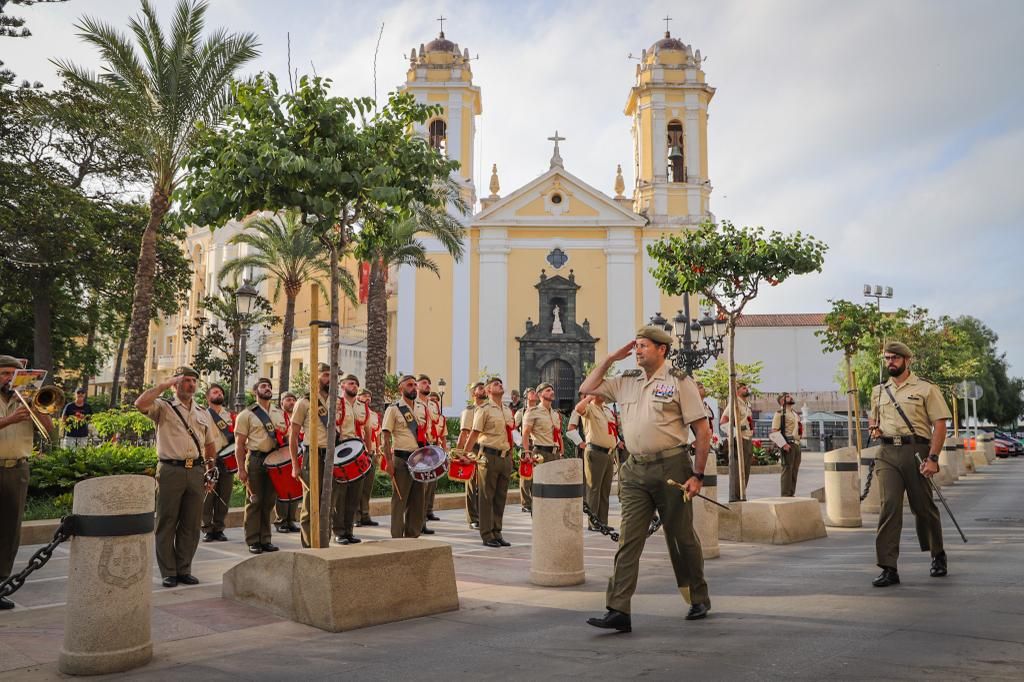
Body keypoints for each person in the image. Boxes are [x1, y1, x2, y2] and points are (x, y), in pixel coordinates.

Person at [581, 327, 712, 632]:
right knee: (629, 539)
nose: (637, 350)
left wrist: (698, 475)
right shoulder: (626, 381)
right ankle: (618, 609)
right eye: (636, 346)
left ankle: (698, 597)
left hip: (672, 468)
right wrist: (611, 358)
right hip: (635, 470)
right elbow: (587, 387)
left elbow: (702, 432)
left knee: (681, 538)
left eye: (643, 346)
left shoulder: (680, 382)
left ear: (661, 349)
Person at [868, 341, 951, 588]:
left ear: (907, 360)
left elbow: (940, 424)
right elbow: (873, 416)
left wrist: (933, 458)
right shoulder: (879, 391)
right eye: (887, 358)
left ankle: (937, 553)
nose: (890, 362)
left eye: (894, 358)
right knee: (889, 507)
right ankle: (888, 567)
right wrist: (874, 426)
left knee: (923, 507)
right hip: (887, 452)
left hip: (917, 450)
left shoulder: (926, 388)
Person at [135, 366, 217, 588]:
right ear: (176, 384)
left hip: (196, 471)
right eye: (185, 380)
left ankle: (184, 569)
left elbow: (210, 444)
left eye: (193, 381)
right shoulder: (163, 407)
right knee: (167, 521)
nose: (191, 384)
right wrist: (163, 385)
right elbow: (140, 404)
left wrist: (210, 471)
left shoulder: (202, 412)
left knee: (191, 523)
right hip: (171, 469)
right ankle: (168, 571)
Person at [1, 355, 52, 610]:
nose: (9, 379)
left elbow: (51, 431)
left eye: (14, 374)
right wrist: (9, 420)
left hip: (18, 469)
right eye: (5, 373)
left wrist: (37, 408)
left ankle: (0, 585)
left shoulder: (27, 399)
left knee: (10, 530)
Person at [463, 377, 516, 548]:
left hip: (505, 456)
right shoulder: (483, 409)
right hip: (488, 456)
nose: (500, 385)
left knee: (500, 498)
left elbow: (510, 435)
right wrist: (464, 454)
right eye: (495, 384)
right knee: (487, 497)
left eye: (501, 383)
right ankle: (487, 534)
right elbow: (474, 434)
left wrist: (511, 456)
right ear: (487, 391)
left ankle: (497, 532)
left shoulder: (507, 410)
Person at [235, 377, 286, 554]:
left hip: (274, 461)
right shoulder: (246, 414)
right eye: (263, 386)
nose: (267, 388)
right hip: (256, 460)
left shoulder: (279, 413)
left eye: (270, 386)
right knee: (254, 500)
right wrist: (241, 469)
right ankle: (253, 540)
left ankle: (265, 538)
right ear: (255, 391)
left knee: (269, 502)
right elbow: (239, 444)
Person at [289, 363, 335, 548]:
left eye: (332, 375)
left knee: (328, 500)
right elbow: (293, 435)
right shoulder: (304, 402)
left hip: (331, 455)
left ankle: (324, 540)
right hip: (313, 455)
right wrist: (295, 464)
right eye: (325, 374)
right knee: (310, 501)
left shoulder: (335, 401)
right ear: (315, 377)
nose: (329, 379)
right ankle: (309, 543)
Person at [381, 374, 428, 539]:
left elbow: (424, 434)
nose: (414, 388)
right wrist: (388, 462)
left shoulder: (422, 408)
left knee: (417, 502)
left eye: (415, 385)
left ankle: (412, 536)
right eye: (409, 385)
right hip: (401, 460)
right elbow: (385, 438)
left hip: (419, 460)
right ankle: (397, 538)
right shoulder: (393, 409)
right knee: (399, 500)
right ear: (401, 388)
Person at [332, 373, 371, 544]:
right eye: (350, 383)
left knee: (354, 496)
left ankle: (349, 530)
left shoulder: (363, 406)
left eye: (356, 384)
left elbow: (368, 431)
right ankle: (339, 531)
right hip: (341, 452)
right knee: (340, 496)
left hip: (359, 453)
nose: (354, 386)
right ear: (342, 386)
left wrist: (368, 452)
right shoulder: (336, 404)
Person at [575, 394, 618, 530]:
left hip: (609, 453)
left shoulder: (606, 410)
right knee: (594, 489)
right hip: (595, 452)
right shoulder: (589, 408)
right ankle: (593, 522)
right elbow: (578, 408)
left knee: (605, 490)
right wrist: (589, 397)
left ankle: (602, 522)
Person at [201, 383, 234, 542]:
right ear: (208, 398)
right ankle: (207, 528)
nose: (219, 393)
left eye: (220, 392)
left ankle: (219, 528)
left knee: (224, 495)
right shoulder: (201, 414)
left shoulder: (230, 415)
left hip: (227, 459)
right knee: (208, 494)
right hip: (209, 458)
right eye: (215, 392)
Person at [521, 383, 562, 512]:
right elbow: (526, 433)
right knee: (539, 486)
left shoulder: (555, 414)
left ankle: (551, 511)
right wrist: (527, 452)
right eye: (548, 390)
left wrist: (561, 450)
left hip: (554, 453)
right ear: (540, 395)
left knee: (554, 485)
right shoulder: (533, 412)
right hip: (540, 453)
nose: (552, 392)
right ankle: (535, 510)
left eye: (552, 390)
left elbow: (558, 434)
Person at [456, 382, 487, 529]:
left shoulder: (488, 409)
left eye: (484, 388)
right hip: (472, 450)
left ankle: (482, 516)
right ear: (473, 393)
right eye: (480, 388)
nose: (483, 390)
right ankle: (473, 518)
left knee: (484, 485)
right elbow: (464, 433)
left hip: (486, 450)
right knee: (471, 485)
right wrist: (460, 453)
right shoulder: (470, 410)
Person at [416, 375, 441, 534]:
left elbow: (436, 423)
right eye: (424, 382)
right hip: (418, 448)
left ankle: (423, 520)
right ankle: (415, 521)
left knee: (427, 486)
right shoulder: (412, 404)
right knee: (419, 488)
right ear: (417, 385)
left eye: (429, 383)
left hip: (430, 447)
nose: (428, 385)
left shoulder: (432, 405)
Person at [721, 382, 754, 502]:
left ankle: (742, 494)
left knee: (746, 470)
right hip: (739, 439)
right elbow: (723, 422)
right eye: (744, 388)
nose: (747, 389)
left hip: (748, 439)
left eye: (747, 387)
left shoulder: (746, 405)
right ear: (737, 391)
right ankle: (735, 497)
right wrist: (735, 434)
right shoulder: (734, 404)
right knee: (737, 470)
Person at [274, 391, 300, 533]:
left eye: (293, 399)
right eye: (288, 400)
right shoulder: (278, 417)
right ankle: (281, 521)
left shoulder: (298, 417)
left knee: (295, 490)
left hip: (296, 456)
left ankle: (291, 520)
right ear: (281, 403)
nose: (291, 402)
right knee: (283, 491)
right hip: (282, 457)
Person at [356, 387, 381, 527]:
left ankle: (365, 514)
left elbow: (376, 434)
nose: (367, 398)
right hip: (358, 452)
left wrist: (377, 450)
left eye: (369, 396)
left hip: (370, 452)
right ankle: (356, 517)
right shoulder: (354, 411)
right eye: (364, 395)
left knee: (367, 487)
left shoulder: (373, 415)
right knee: (356, 487)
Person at [771, 393, 802, 497]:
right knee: (787, 470)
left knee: (794, 470)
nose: (791, 397)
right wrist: (783, 445)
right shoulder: (780, 413)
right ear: (782, 401)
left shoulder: (794, 413)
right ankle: (785, 495)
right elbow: (774, 432)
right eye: (788, 396)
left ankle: (791, 493)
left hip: (796, 444)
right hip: (788, 444)